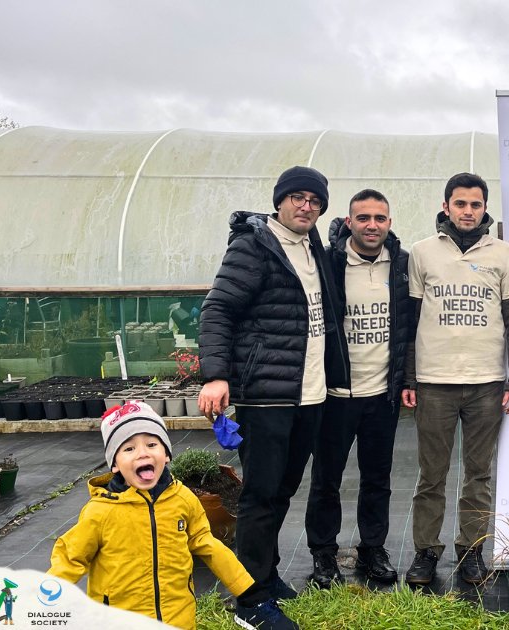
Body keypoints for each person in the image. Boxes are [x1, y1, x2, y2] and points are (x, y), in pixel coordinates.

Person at [197, 166, 349, 628]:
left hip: (309, 394)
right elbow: (218, 308)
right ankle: (249, 600)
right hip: (266, 395)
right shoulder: (255, 246)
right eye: (298, 198)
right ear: (280, 201)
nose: (306, 206)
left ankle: (266, 574)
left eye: (315, 200)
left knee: (283, 488)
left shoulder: (313, 248)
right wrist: (216, 375)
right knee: (260, 495)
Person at [401, 172, 509, 586]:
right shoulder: (422, 253)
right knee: (431, 475)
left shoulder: (504, 254)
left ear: (485, 209)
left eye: (476, 204)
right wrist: (409, 377)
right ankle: (425, 552)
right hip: (433, 383)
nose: (468, 211)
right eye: (460, 203)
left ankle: (472, 551)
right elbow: (409, 321)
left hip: (486, 384)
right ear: (446, 206)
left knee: (478, 476)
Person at [49, 402, 269, 630]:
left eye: (152, 444)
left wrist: (246, 588)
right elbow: (70, 557)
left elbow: (209, 545)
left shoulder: (182, 499)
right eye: (128, 448)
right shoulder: (101, 511)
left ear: (166, 455)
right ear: (114, 464)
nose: (142, 452)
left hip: (178, 619)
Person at [306, 189, 414, 586]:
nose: (372, 225)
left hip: (381, 395)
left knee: (377, 479)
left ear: (389, 223)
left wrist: (404, 379)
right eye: (364, 218)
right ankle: (323, 553)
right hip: (336, 396)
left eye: (380, 218)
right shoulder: (329, 264)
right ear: (349, 222)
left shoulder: (400, 264)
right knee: (326, 479)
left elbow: (408, 327)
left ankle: (372, 549)